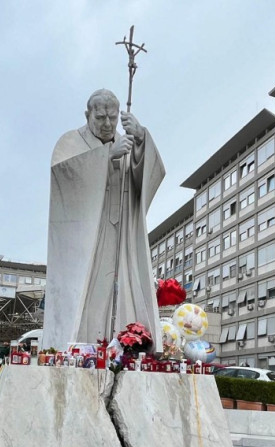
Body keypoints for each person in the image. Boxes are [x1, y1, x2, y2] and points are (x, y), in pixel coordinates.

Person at [43, 88, 165, 352]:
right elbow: (64, 178)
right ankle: (77, 348)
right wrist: (107, 156)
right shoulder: (70, 142)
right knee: (88, 294)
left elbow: (147, 179)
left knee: (119, 292)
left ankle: (122, 346)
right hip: (88, 236)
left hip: (120, 234)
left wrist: (141, 139)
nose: (108, 124)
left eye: (113, 117)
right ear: (87, 115)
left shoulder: (127, 141)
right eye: (100, 117)